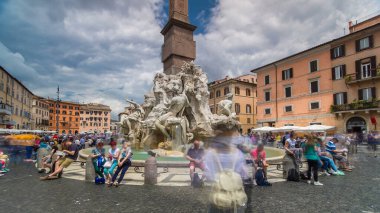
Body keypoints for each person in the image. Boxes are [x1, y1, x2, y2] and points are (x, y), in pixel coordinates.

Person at [204, 124, 248, 212]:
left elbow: (209, 176)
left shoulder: (210, 153)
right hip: (235, 196)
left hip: (219, 195)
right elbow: (244, 175)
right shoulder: (238, 154)